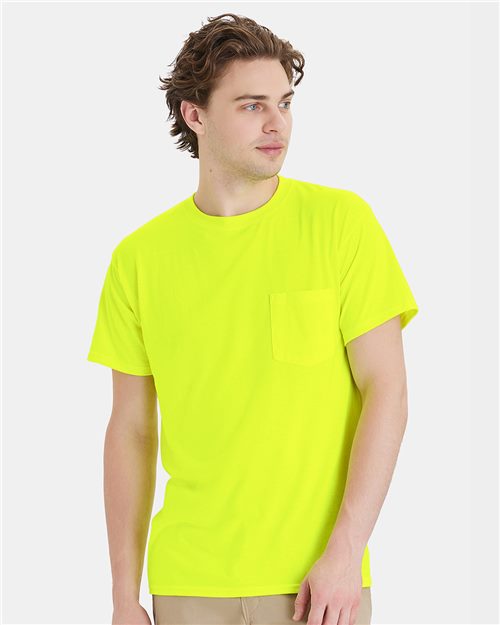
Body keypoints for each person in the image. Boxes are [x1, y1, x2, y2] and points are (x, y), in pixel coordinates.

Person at [87, 12, 419, 625]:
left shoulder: (341, 224)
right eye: (251, 106)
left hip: (317, 584)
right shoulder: (138, 259)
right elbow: (130, 430)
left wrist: (345, 552)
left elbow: (388, 391)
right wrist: (121, 596)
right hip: (186, 584)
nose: (277, 124)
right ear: (196, 114)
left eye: (285, 103)